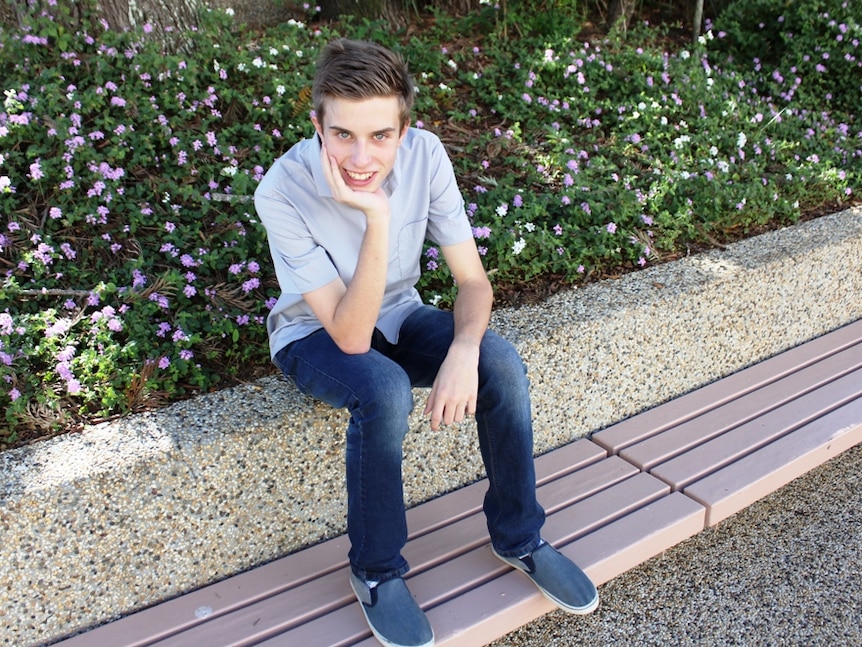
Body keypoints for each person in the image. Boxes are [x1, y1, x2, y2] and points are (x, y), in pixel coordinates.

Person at [254, 38, 599, 647]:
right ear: (317, 126)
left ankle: (520, 536)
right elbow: (351, 336)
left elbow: (472, 281)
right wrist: (377, 215)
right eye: (342, 136)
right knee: (384, 390)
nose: (361, 156)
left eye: (380, 136)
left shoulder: (428, 156)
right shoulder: (281, 189)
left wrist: (464, 350)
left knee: (499, 359)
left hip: (401, 313)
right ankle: (377, 571)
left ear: (405, 131)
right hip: (315, 334)